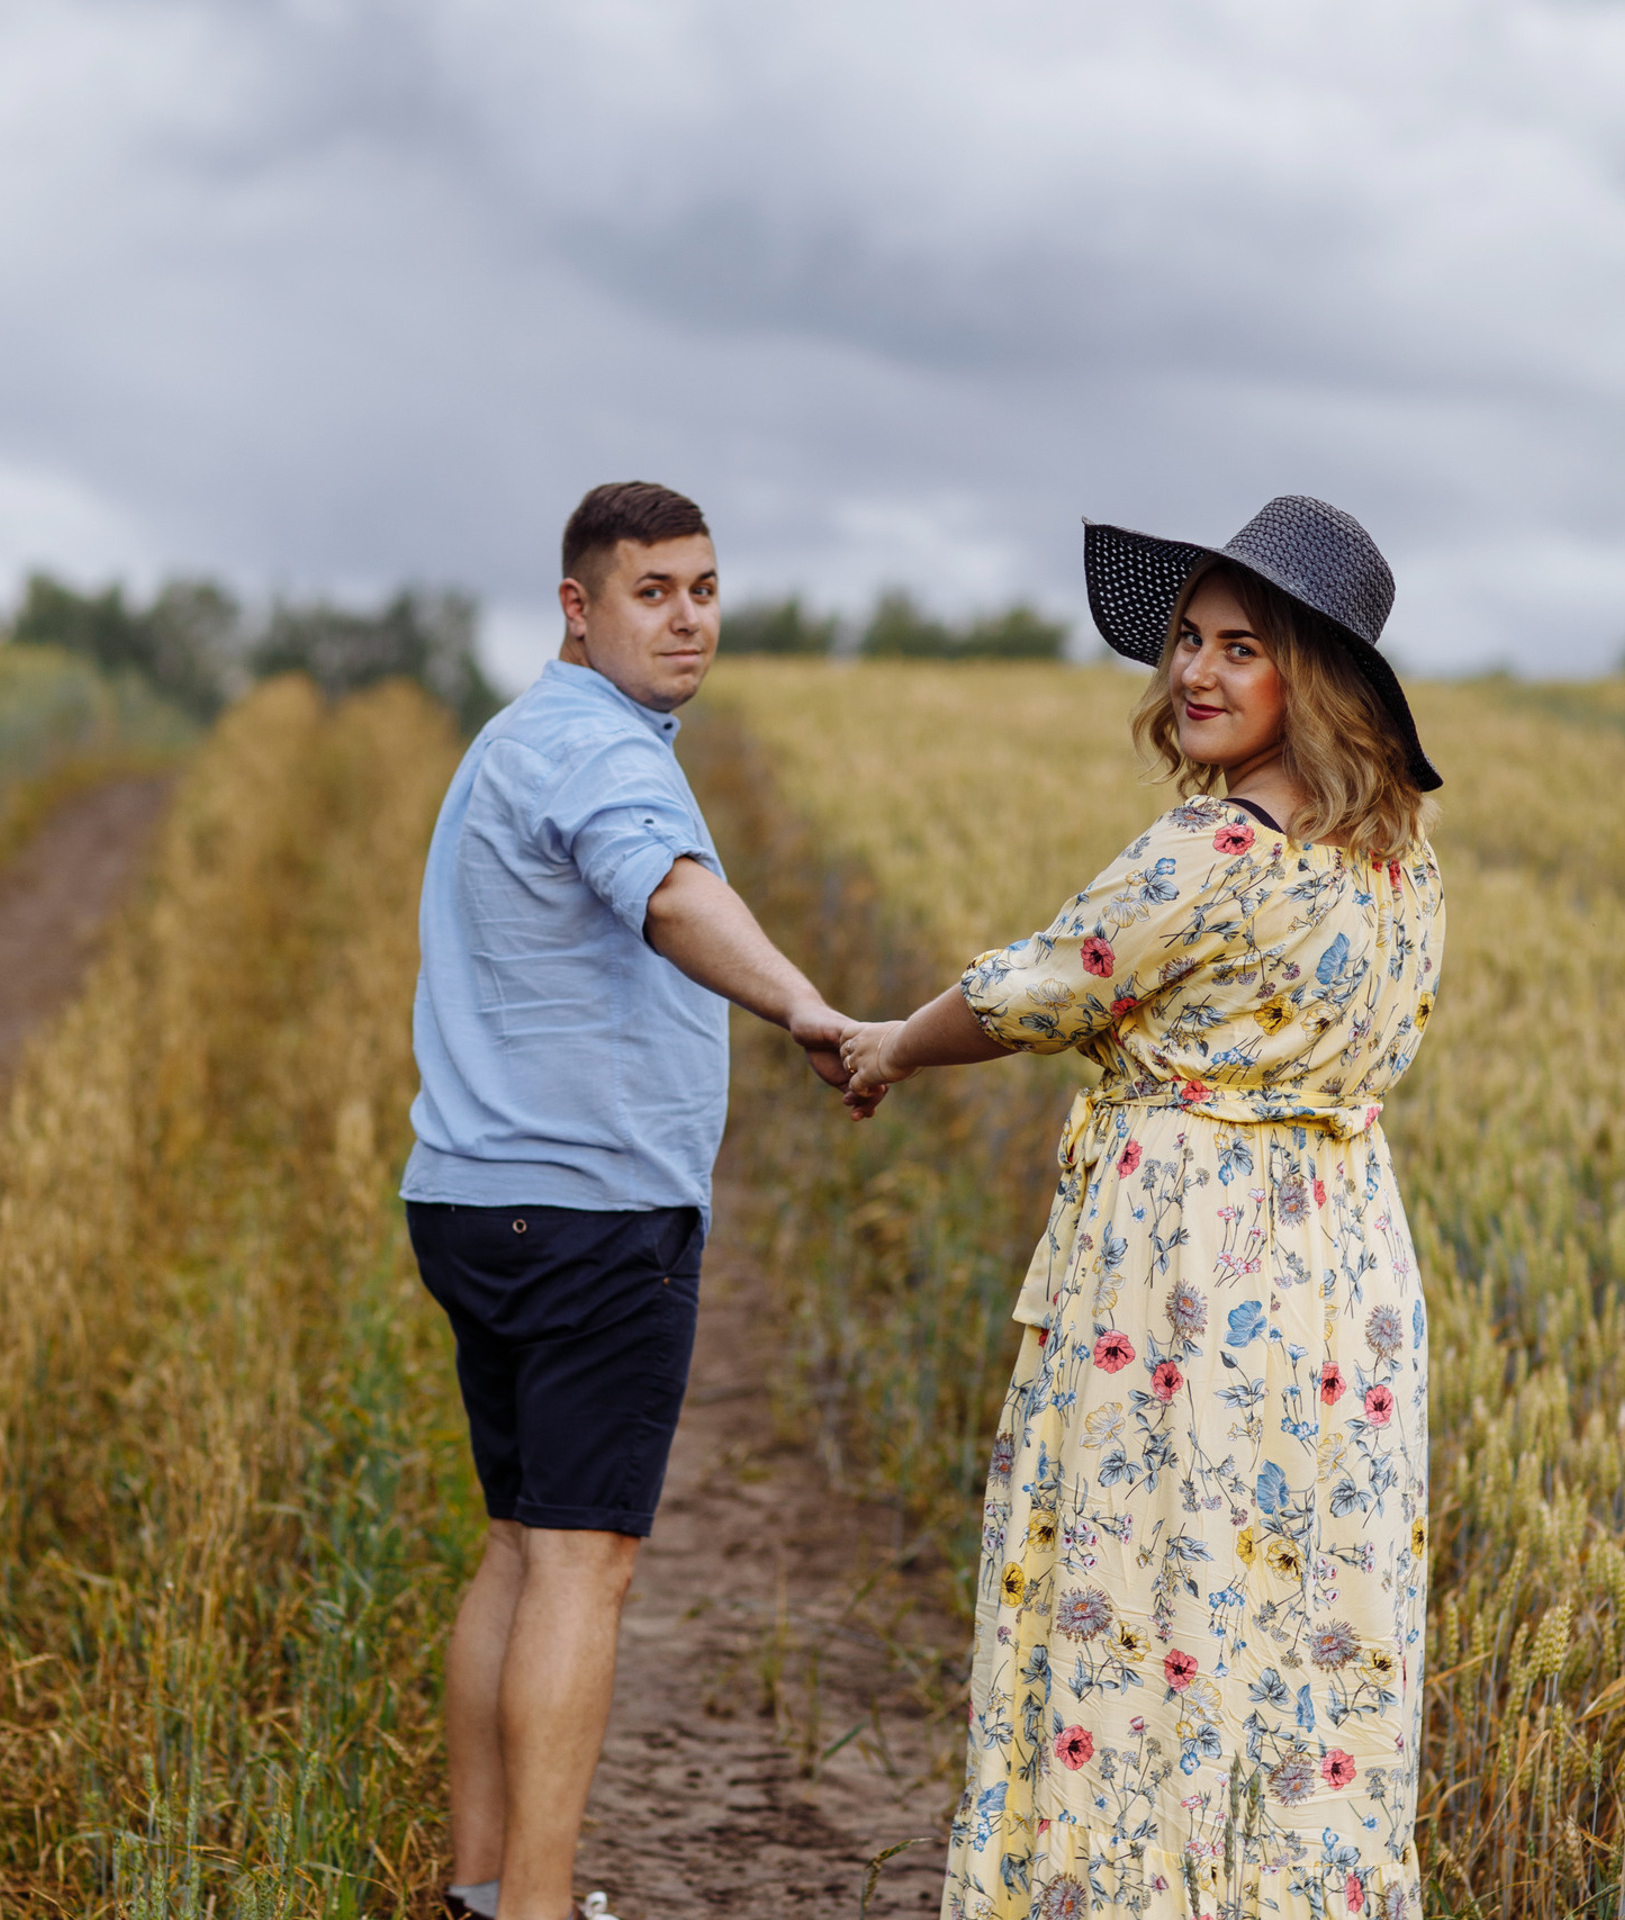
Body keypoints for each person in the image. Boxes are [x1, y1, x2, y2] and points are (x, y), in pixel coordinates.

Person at [839, 496, 1444, 1918]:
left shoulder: (1212, 851)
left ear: (1321, 676)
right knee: (1308, 1629)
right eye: (1185, 641)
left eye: (1244, 646)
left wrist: (886, 1047)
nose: (1196, 672)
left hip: (1183, 1272)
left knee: (1146, 1609)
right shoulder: (1405, 862)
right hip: (1346, 1285)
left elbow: (1045, 985)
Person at [402, 481, 878, 1920]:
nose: (687, 619)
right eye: (652, 591)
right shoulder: (601, 752)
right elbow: (669, 894)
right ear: (578, 608)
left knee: (521, 1543)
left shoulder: (516, 739)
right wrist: (807, 1009)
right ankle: (538, 1910)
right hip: (589, 1217)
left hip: (475, 1200)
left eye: (704, 589)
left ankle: (483, 1893)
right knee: (585, 1571)